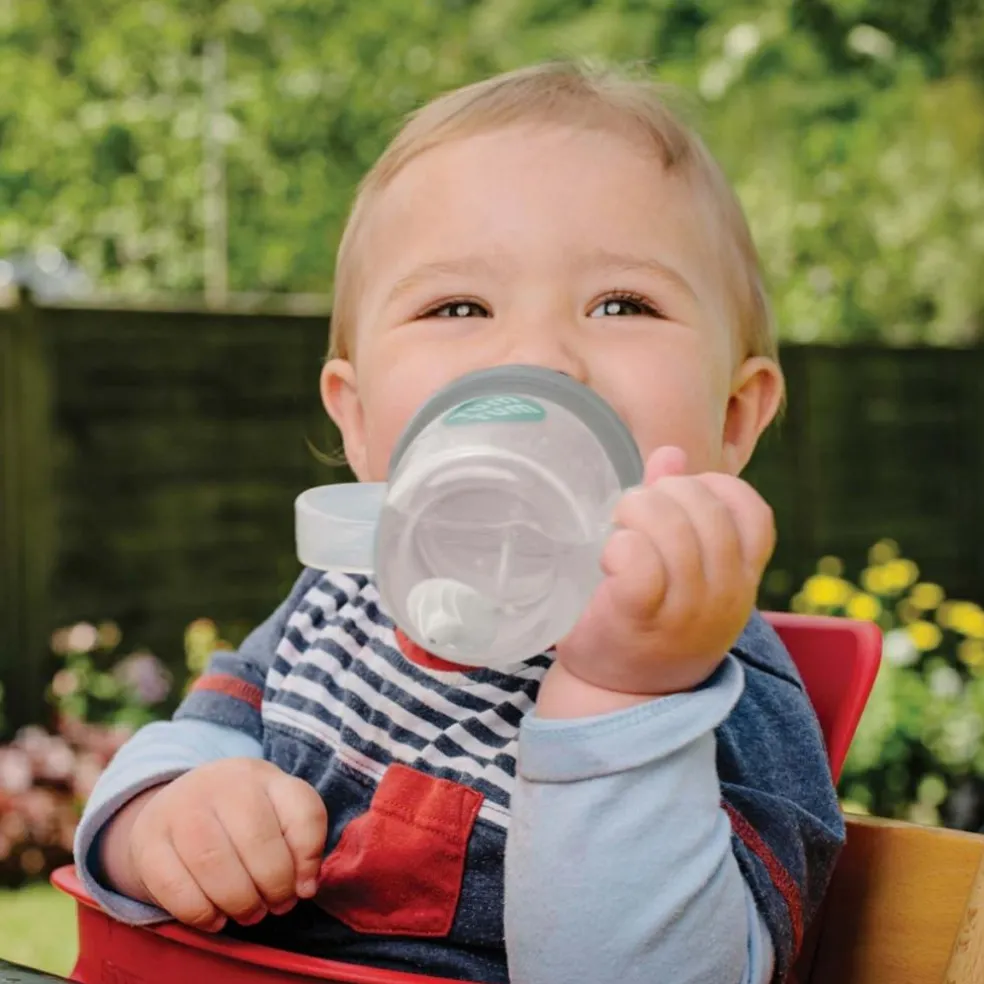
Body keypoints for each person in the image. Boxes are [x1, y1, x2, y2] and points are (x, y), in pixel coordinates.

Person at [74, 62, 843, 984]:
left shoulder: (715, 680)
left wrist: (626, 694)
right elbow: (201, 736)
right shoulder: (342, 600)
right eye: (458, 306)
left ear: (734, 418)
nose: (538, 358)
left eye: (622, 304)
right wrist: (168, 816)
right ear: (358, 420)